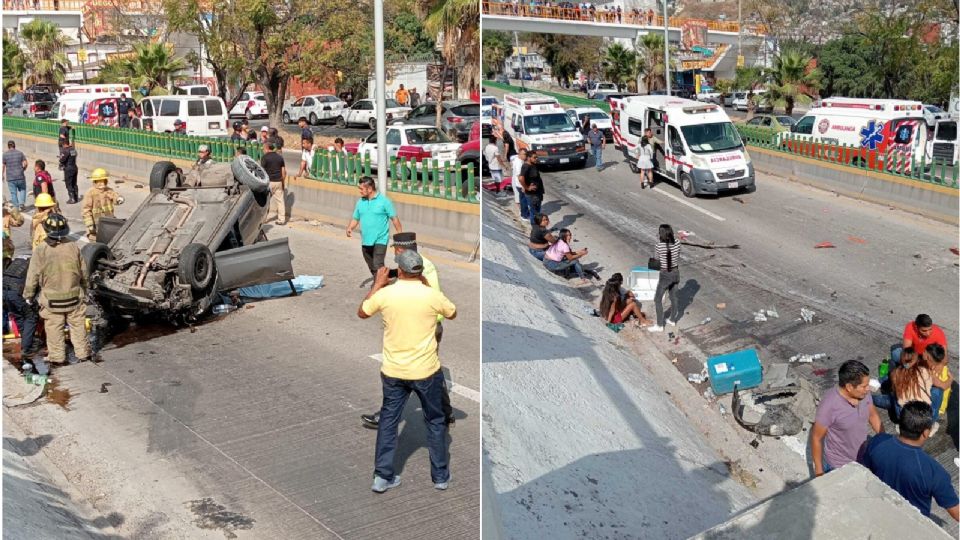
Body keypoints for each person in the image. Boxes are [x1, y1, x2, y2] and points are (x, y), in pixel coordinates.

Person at [358, 251, 457, 493]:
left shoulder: (386, 294)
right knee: (435, 421)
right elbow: (452, 313)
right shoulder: (431, 295)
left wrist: (377, 284)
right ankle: (440, 477)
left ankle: (382, 477)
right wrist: (425, 286)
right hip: (426, 371)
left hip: (393, 371)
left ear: (398, 271)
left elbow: (362, 312)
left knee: (389, 422)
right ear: (420, 272)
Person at [361, 231, 456, 429]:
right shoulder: (420, 263)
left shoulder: (419, 268)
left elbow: (421, 295)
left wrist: (381, 285)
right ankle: (445, 414)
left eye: (395, 249)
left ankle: (389, 416)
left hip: (424, 325)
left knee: (405, 376)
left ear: (400, 249)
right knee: (432, 371)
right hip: (427, 322)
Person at [859, 401, 959, 522]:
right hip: (911, 524)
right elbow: (956, 512)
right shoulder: (934, 471)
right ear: (926, 433)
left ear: (900, 424)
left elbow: (864, 471)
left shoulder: (877, 442)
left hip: (879, 511)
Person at [23, 212, 91, 365]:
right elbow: (84, 272)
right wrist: (86, 289)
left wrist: (28, 295)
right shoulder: (73, 246)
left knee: (54, 329)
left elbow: (32, 275)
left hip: (52, 302)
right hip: (74, 298)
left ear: (46, 230)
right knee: (78, 326)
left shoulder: (41, 250)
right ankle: (83, 353)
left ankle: (58, 357)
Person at [811, 360, 883, 477]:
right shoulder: (829, 406)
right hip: (839, 466)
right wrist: (819, 472)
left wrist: (882, 437)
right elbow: (816, 438)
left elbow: (873, 415)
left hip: (862, 458)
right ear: (849, 387)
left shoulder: (863, 394)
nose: (868, 389)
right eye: (864, 386)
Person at [347, 177, 402, 275]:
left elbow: (394, 218)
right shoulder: (360, 202)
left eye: (361, 189)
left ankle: (378, 286)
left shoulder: (385, 201)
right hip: (366, 239)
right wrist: (350, 228)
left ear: (370, 189)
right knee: (371, 264)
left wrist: (399, 235)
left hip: (380, 239)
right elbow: (356, 218)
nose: (360, 191)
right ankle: (391, 274)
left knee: (377, 264)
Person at [647, 224, 684, 332]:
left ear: (661, 234)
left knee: (657, 299)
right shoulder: (677, 242)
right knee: (673, 298)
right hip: (676, 272)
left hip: (665, 274)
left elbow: (656, 259)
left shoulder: (659, 246)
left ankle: (659, 325)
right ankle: (672, 320)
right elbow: (677, 254)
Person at [81, 168, 124, 242]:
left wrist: (119, 199)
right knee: (96, 246)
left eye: (103, 181)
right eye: (99, 182)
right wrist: (90, 225)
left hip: (109, 223)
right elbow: (86, 210)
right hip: (96, 225)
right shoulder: (90, 193)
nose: (102, 184)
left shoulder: (109, 190)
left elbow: (115, 197)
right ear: (95, 182)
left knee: (110, 243)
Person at [260, 142, 287, 226]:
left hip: (269, 182)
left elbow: (262, 171)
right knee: (280, 201)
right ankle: (282, 220)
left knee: (265, 201)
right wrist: (282, 182)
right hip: (278, 181)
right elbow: (283, 171)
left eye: (263, 148)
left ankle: (263, 219)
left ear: (267, 148)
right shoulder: (279, 157)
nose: (263, 150)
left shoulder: (265, 157)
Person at [518, 151, 544, 226]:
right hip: (532, 195)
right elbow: (520, 178)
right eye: (534, 157)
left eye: (537, 157)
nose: (536, 159)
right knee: (534, 213)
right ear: (529, 158)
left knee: (537, 211)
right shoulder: (526, 166)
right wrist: (527, 187)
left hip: (537, 193)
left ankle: (537, 228)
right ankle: (535, 229)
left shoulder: (533, 165)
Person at [3, 141, 28, 210]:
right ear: (14, 146)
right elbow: (25, 163)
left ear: (8, 146)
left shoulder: (5, 154)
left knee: (13, 193)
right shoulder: (20, 153)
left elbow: (3, 166)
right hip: (20, 176)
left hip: (10, 178)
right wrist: (23, 169)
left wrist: (2, 174)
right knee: (22, 189)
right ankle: (22, 203)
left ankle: (16, 207)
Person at [510, 147, 529, 219]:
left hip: (519, 184)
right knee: (524, 200)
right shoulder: (518, 163)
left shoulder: (519, 160)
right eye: (524, 154)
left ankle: (524, 213)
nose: (525, 156)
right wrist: (523, 186)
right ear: (519, 154)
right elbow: (519, 176)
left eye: (526, 154)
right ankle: (524, 215)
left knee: (523, 199)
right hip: (520, 185)